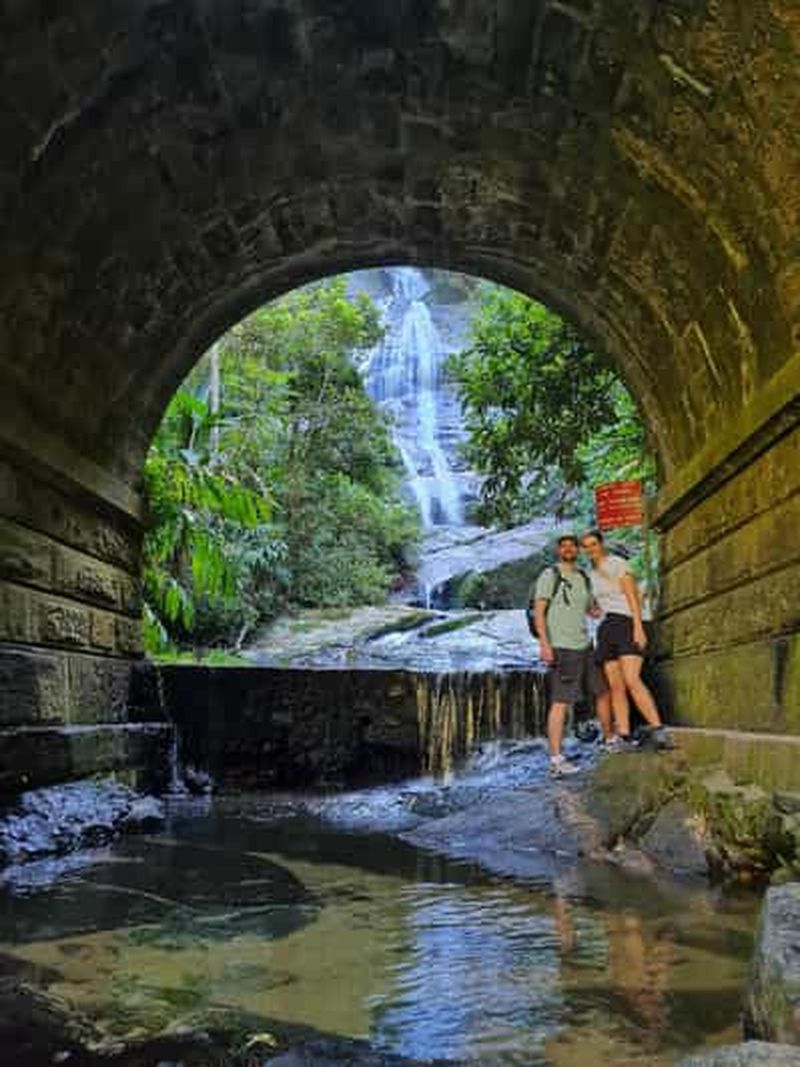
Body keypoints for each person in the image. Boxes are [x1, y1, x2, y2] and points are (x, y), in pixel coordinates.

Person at [580, 529, 673, 750]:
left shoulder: (617, 563)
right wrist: (590, 610)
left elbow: (633, 596)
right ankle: (623, 734)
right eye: (586, 546)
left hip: (628, 621)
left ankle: (658, 729)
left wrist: (638, 628)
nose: (591, 549)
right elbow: (600, 606)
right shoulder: (591, 575)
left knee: (632, 679)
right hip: (608, 626)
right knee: (616, 686)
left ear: (601, 544)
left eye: (593, 544)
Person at [530, 534, 614, 778]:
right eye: (563, 546)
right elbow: (539, 611)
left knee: (603, 691)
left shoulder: (583, 577)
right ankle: (556, 760)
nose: (568, 549)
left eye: (572, 546)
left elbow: (590, 609)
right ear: (559, 551)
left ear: (578, 550)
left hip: (586, 645)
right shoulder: (550, 575)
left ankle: (609, 739)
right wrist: (544, 644)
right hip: (562, 647)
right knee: (561, 701)